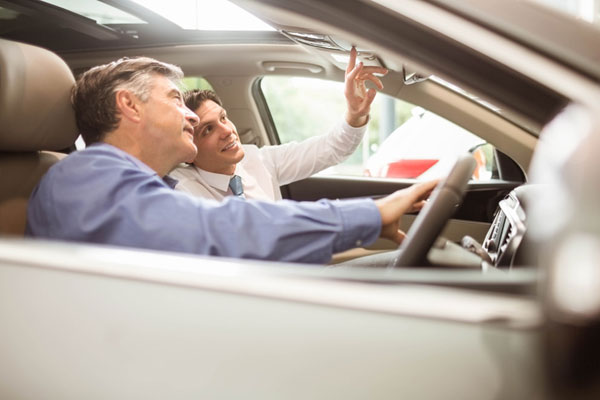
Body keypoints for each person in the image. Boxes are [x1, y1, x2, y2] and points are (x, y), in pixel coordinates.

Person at [26, 56, 437, 264]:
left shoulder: (132, 182)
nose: (188, 114)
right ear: (129, 106)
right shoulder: (85, 174)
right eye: (174, 98)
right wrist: (366, 216)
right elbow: (217, 228)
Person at [170, 47, 388, 201]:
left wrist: (354, 113)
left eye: (224, 118)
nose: (227, 131)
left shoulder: (258, 159)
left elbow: (332, 149)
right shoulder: (182, 190)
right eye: (208, 129)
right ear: (190, 148)